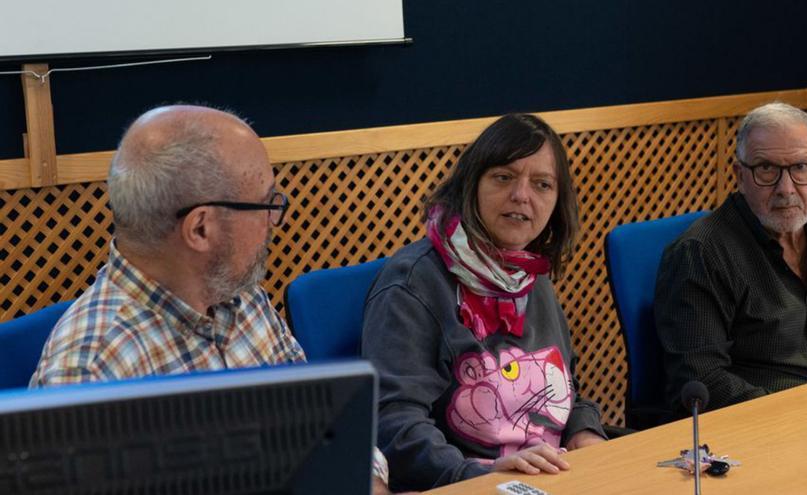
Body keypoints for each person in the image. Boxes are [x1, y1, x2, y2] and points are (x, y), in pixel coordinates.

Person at [29, 105, 395, 494]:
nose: (275, 221)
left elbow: (324, 426)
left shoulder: (238, 294)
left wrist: (366, 482)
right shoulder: (87, 372)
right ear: (201, 228)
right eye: (267, 204)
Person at [361, 113, 607, 492]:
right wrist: (484, 475)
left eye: (542, 184)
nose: (522, 195)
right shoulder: (411, 285)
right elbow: (394, 425)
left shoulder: (531, 276)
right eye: (504, 177)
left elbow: (568, 389)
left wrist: (585, 433)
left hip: (550, 478)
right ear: (471, 184)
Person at [655, 102, 807, 413]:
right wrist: (803, 414)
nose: (785, 189)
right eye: (766, 169)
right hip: (762, 424)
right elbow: (703, 379)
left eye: (801, 168)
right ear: (739, 175)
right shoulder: (701, 254)